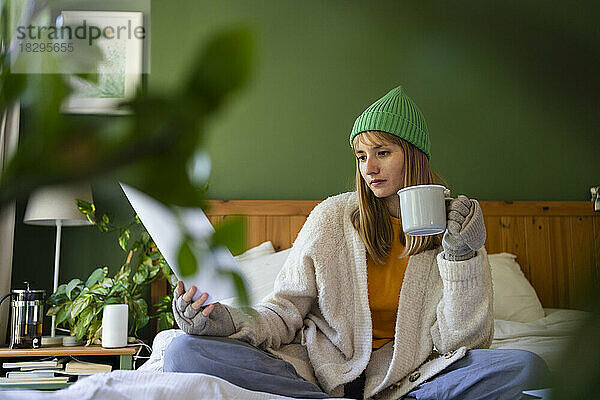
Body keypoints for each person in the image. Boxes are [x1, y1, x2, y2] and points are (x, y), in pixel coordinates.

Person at [164, 86, 549, 399]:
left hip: (413, 379)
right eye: (362, 156)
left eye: (383, 153)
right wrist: (224, 321)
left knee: (526, 366)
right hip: (317, 375)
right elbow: (284, 312)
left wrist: (462, 255)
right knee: (183, 350)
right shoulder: (331, 218)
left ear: (413, 156)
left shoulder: (458, 226)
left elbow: (463, 344)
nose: (370, 168)